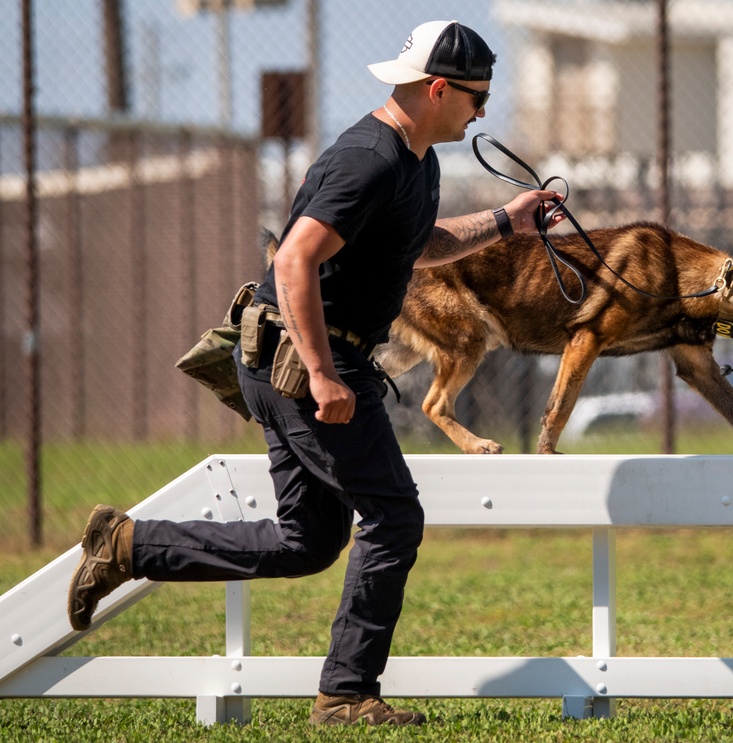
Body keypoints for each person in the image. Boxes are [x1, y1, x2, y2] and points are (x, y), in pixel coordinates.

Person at [67, 20, 564, 727]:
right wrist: (327, 376)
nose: (483, 111)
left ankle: (124, 544)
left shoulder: (414, 161)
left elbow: (416, 245)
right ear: (438, 88)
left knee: (308, 541)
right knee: (394, 517)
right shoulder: (369, 158)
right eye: (477, 97)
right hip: (305, 362)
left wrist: (506, 222)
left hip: (293, 359)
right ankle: (347, 693)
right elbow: (294, 260)